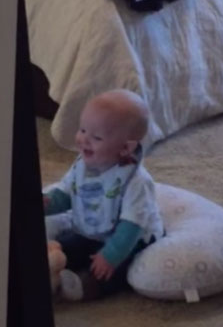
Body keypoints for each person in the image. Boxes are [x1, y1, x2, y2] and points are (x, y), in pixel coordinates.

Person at [43, 89, 164, 301]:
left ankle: (85, 286)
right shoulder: (82, 165)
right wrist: (48, 203)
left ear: (125, 148)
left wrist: (110, 255)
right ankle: (53, 270)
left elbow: (131, 226)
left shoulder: (136, 182)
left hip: (130, 240)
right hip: (90, 231)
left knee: (112, 270)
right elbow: (68, 194)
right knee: (65, 246)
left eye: (96, 137)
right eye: (82, 130)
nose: (83, 140)